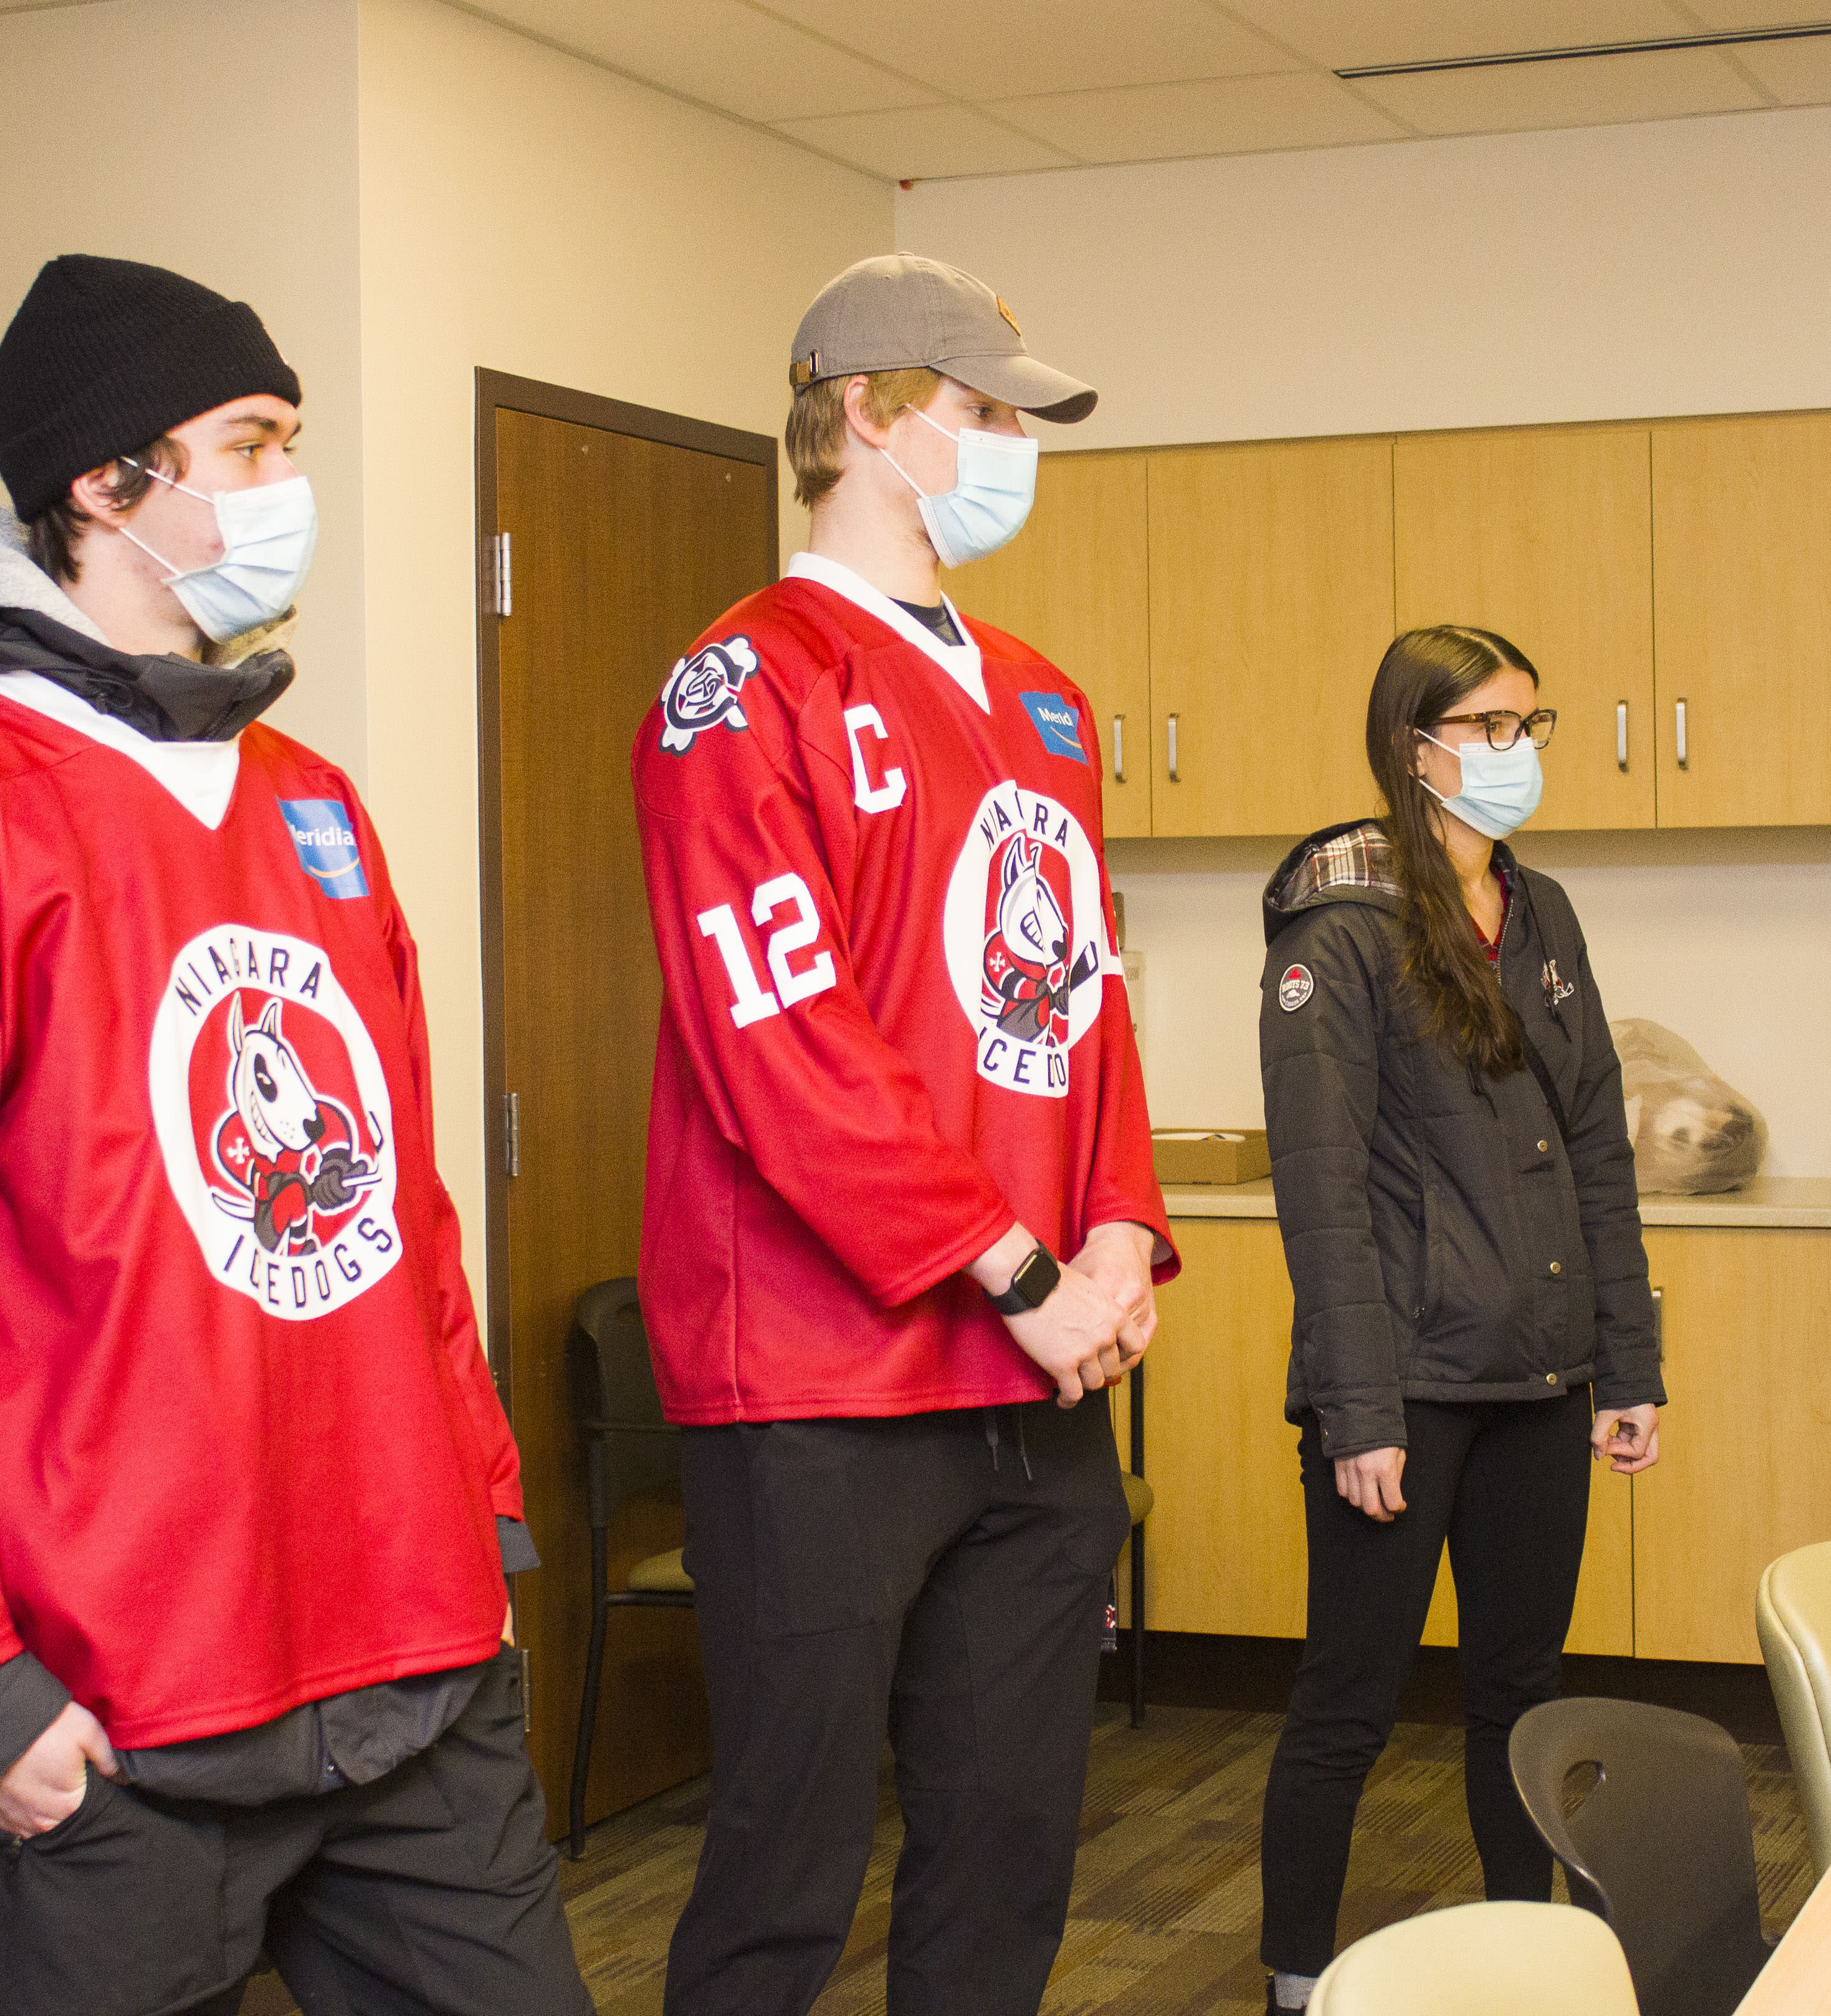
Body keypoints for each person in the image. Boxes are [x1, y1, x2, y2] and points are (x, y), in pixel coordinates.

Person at [0, 254, 588, 2016]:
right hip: (115, 1728)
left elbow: (402, 1222)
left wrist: (480, 1524)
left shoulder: (309, 803)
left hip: (415, 1679)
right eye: (249, 444)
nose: (289, 489)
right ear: (106, 482)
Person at [632, 252, 1174, 2016]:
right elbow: (778, 1041)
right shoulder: (743, 683)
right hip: (821, 1380)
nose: (1014, 444)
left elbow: (1078, 990)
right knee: (787, 1864)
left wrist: (1108, 1230)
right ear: (863, 413)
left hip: (1032, 1373)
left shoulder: (1040, 695)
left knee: (1010, 1838)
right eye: (985, 409)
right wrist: (1009, 1260)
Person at [1254, 626, 1666, 2012]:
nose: (1516, 754)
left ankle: (1529, 1961)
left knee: (1521, 1694)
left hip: (1540, 1379)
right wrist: (1360, 1410)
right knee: (1346, 1707)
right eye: (1489, 727)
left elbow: (1597, 1145)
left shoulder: (1541, 913)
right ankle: (1299, 1979)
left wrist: (1628, 1360)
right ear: (1412, 745)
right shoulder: (1345, 922)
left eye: (1529, 726)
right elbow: (1320, 1189)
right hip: (1404, 1391)